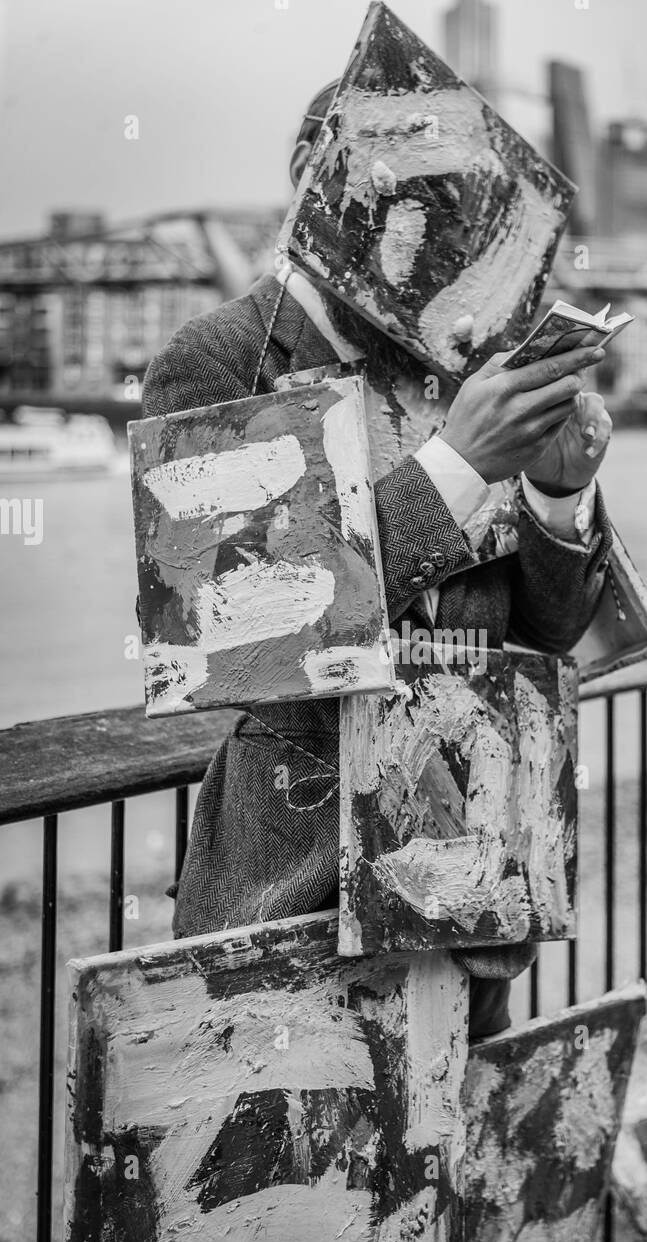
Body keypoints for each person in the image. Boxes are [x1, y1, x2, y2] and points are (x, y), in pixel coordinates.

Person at [141, 82, 616, 1039]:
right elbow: (233, 632)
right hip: (296, 906)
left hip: (473, 899)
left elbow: (551, 635)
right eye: (408, 193)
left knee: (448, 1185)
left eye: (451, 202)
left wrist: (557, 496)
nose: (431, 225)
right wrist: (458, 466)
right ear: (317, 179)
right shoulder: (221, 355)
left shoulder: (461, 368)